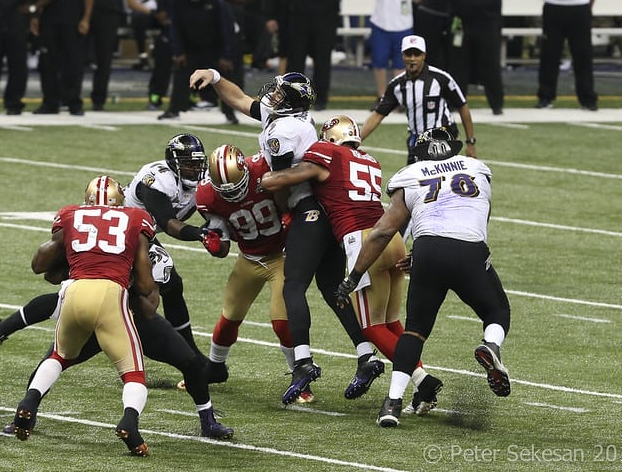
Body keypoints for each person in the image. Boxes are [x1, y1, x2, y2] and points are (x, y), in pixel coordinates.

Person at [0, 176, 233, 441]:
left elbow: (45, 271)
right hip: (110, 307)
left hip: (119, 311)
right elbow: (52, 274)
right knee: (58, 356)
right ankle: (24, 412)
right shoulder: (133, 224)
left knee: (189, 363)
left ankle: (208, 420)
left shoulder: (98, 226)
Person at [189, 69, 384, 405]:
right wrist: (216, 77)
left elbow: (282, 182)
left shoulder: (286, 131)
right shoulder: (286, 119)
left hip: (308, 208)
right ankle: (367, 356)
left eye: (279, 92)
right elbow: (240, 99)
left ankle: (304, 364)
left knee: (294, 285)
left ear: (290, 99)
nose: (272, 96)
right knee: (330, 287)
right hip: (322, 212)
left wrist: (284, 214)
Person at [260, 115, 444, 411]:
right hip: (392, 239)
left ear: (331, 138)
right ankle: (420, 381)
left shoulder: (328, 153)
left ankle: (422, 380)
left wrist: (266, 174)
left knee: (371, 328)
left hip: (365, 244)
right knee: (391, 323)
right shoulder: (370, 159)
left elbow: (281, 179)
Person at [334, 127, 512, 427]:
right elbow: (482, 212)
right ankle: (491, 346)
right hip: (470, 247)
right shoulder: (476, 167)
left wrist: (354, 275)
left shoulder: (411, 174)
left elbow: (382, 232)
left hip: (428, 249)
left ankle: (392, 403)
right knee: (496, 310)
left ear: (420, 153)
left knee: (415, 331)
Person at [11, 177, 158, 455]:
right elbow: (146, 284)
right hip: (110, 294)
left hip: (75, 291)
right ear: (119, 200)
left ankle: (29, 401)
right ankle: (130, 423)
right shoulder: (136, 217)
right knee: (134, 374)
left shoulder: (70, 214)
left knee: (59, 356)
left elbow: (39, 264)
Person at [196, 145, 311, 399]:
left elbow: (298, 197)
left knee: (281, 322)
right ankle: (215, 368)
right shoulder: (206, 196)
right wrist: (214, 243)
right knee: (229, 317)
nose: (233, 195)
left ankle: (300, 377)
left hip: (281, 255)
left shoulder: (265, 168)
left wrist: (293, 218)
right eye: (226, 191)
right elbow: (223, 246)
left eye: (237, 187)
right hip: (248, 258)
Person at [123, 133, 221, 355]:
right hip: (124, 231)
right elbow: (169, 224)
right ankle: (177, 352)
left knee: (171, 285)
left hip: (142, 233)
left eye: (197, 164)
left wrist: (224, 231)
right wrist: (202, 235)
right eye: (188, 165)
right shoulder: (157, 180)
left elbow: (214, 213)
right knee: (143, 292)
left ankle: (188, 352)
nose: (194, 170)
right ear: (174, 164)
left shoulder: (203, 179)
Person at [361, 35, 477, 165]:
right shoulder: (397, 86)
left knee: (440, 179)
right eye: (408, 54)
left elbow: (462, 106)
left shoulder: (440, 78)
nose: (412, 59)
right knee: (412, 182)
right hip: (417, 139)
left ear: (424, 56)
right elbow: (377, 115)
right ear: (402, 56)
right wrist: (355, 141)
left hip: (442, 136)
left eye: (417, 54)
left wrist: (470, 142)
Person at [156, 0, 238, 123]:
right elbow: (175, 27)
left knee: (224, 79)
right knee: (181, 75)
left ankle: (230, 113)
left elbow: (226, 28)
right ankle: (174, 109)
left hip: (215, 46)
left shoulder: (216, 0)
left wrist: (226, 55)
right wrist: (178, 51)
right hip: (190, 45)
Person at [532, 0, 599, 111]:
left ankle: (587, 98)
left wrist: (588, 4)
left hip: (579, 6)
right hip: (554, 5)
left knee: (583, 55)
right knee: (549, 54)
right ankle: (546, 96)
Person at [34, 0, 94, 116]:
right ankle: (50, 102)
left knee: (73, 64)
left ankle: (74, 102)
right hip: (49, 18)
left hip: (73, 18)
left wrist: (86, 18)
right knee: (47, 63)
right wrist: (35, 15)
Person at [446, 0, 504, 115]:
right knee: (458, 64)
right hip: (461, 22)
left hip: (487, 22)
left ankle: (496, 104)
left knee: (490, 64)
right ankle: (456, 103)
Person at [286, 0, 346, 110]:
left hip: (326, 16)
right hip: (301, 15)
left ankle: (320, 100)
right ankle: (294, 98)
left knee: (322, 59)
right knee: (296, 58)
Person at [78, 0, 129, 111]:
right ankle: (71, 97)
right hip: (82, 6)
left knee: (104, 57)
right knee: (76, 55)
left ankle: (99, 99)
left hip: (109, 7)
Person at [369, 0, 424, 96]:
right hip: (382, 23)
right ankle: (381, 96)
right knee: (379, 63)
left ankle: (399, 97)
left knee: (402, 64)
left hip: (403, 24)